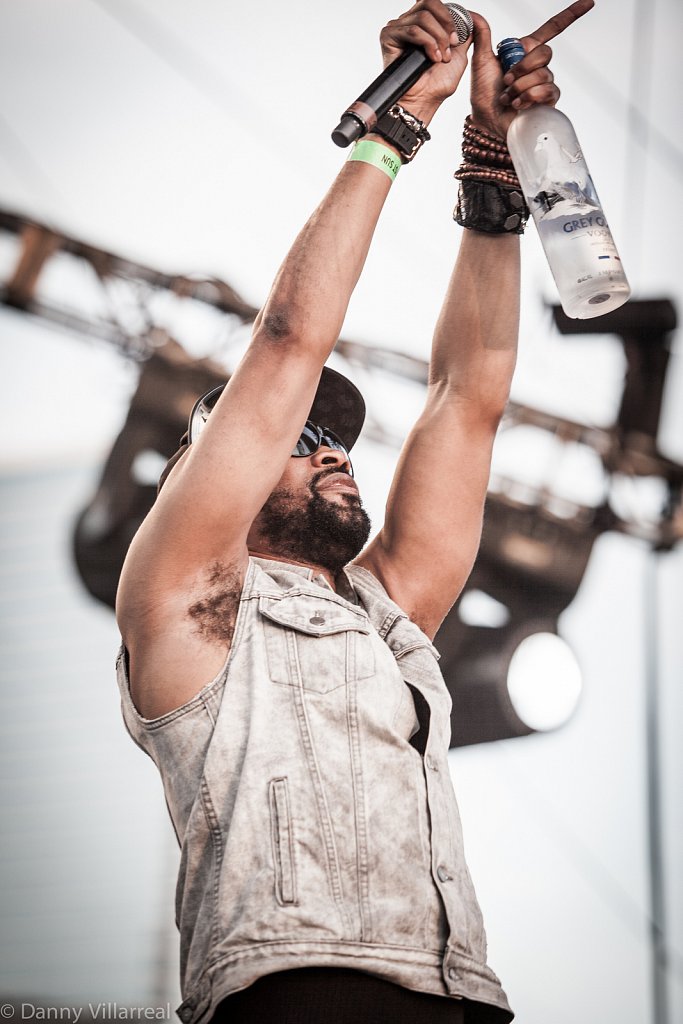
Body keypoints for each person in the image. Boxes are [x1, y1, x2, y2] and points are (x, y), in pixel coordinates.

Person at [115, 2, 594, 1022]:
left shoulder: (385, 615)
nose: (328, 445)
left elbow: (467, 398)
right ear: (212, 483)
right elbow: (287, 344)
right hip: (296, 991)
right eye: (293, 439)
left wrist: (489, 164)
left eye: (332, 437)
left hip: (458, 996)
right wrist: (394, 130)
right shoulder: (189, 603)